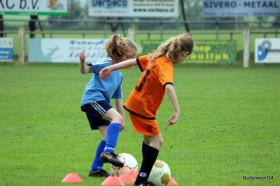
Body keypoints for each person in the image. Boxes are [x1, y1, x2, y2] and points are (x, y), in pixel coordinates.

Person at [100, 33, 194, 186]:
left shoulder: (156, 57)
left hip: (136, 104)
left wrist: (111, 67)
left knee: (149, 140)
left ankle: (146, 177)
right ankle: (141, 181)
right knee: (158, 141)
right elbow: (169, 87)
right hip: (142, 107)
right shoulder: (166, 66)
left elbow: (132, 62)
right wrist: (177, 111)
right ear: (184, 53)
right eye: (185, 57)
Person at [79, 34, 138, 177]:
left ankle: (96, 169)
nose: (130, 61)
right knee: (114, 123)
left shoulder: (119, 76)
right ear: (120, 53)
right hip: (92, 99)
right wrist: (82, 61)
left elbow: (118, 98)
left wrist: (122, 119)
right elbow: (85, 70)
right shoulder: (105, 63)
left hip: (99, 102)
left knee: (106, 137)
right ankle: (109, 152)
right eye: (129, 57)